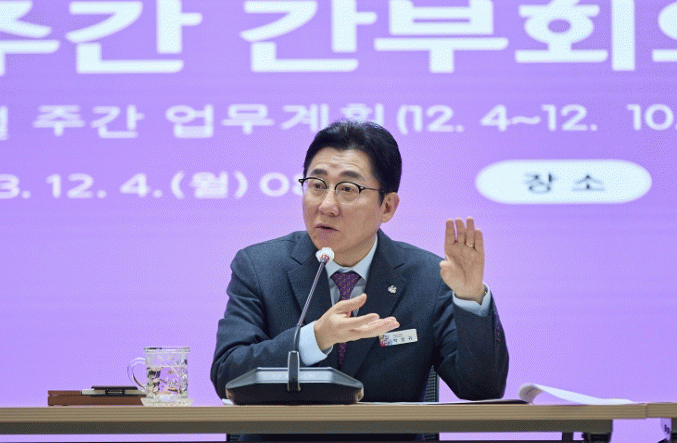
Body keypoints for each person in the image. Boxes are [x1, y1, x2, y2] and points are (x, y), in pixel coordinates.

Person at [211, 120, 509, 441]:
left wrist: (469, 297)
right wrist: (315, 338)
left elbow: (481, 389)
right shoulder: (260, 267)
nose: (327, 205)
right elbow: (227, 374)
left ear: (387, 206)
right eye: (317, 185)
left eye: (348, 190)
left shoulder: (428, 278)